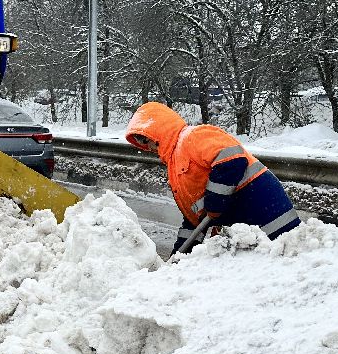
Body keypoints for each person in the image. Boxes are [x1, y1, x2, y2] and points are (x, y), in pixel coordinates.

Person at [125, 101, 299, 254]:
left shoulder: (193, 136)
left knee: (290, 254)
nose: (148, 147)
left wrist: (215, 201)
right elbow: (194, 219)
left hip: (264, 209)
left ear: (156, 132)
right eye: (141, 143)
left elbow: (232, 160)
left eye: (146, 140)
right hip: (243, 228)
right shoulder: (175, 167)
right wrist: (180, 255)